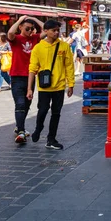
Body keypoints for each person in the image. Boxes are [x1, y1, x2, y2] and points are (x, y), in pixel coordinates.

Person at [27, 20, 75, 150]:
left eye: (57, 30)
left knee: (56, 112)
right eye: (53, 30)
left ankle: (51, 138)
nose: (56, 32)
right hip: (44, 86)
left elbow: (69, 66)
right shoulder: (38, 47)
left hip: (59, 86)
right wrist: (29, 88)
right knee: (42, 110)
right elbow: (32, 68)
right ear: (45, 31)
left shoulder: (64, 47)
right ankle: (38, 128)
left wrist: (71, 84)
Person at [8, 15, 45, 144]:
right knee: (20, 103)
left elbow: (46, 30)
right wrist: (19, 20)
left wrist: (34, 19)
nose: (30, 31)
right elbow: (10, 32)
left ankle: (19, 126)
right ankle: (21, 131)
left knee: (27, 104)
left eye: (32, 29)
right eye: (27, 28)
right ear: (21, 28)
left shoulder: (35, 38)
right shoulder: (16, 39)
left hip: (31, 76)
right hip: (17, 76)